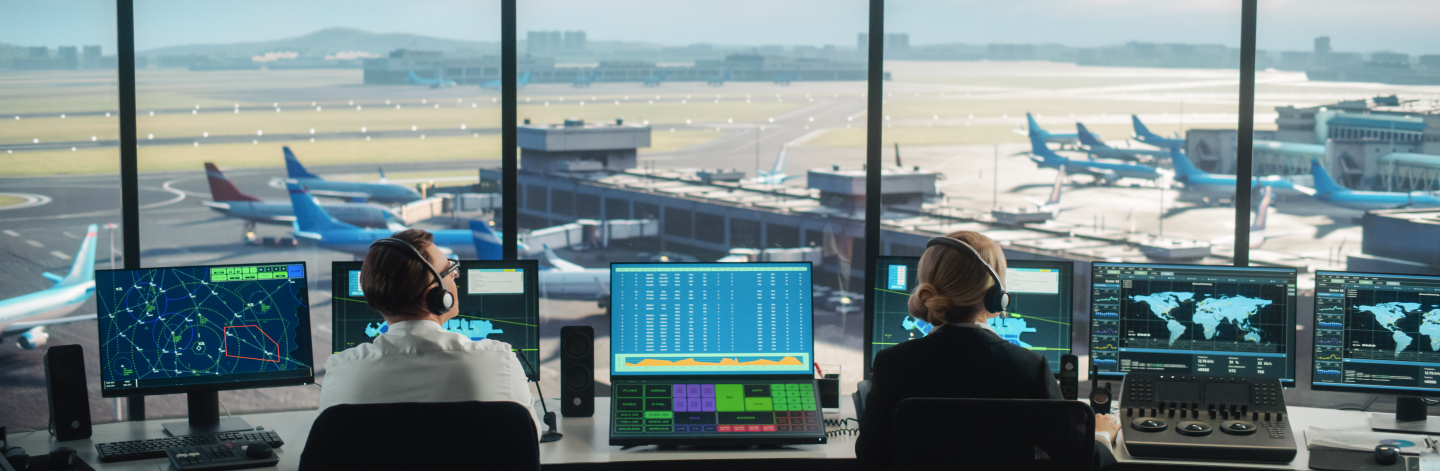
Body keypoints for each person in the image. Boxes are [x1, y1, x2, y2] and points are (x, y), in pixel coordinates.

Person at [854, 230, 1119, 469]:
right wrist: (1101, 436)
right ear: (997, 296)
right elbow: (1073, 460)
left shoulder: (893, 364)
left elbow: (870, 455)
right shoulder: (1031, 369)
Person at [319, 229, 539, 436]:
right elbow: (529, 440)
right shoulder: (500, 362)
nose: (455, 277)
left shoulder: (340, 372)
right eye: (450, 271)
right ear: (436, 296)